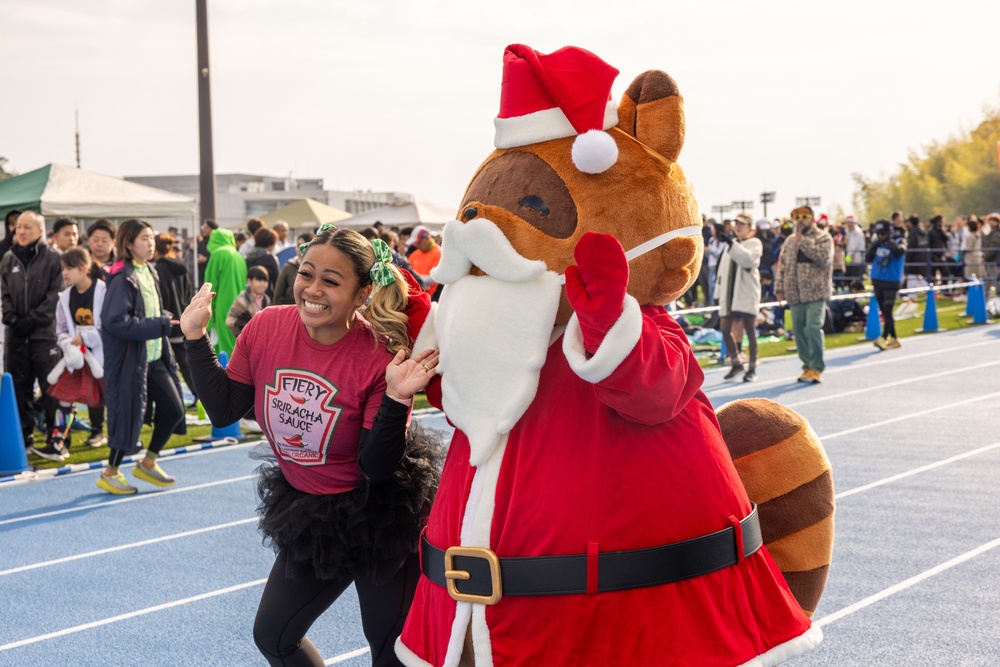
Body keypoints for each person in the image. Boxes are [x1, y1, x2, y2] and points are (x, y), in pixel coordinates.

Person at [180, 226, 440, 667]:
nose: (312, 290)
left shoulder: (381, 354)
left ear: (362, 295)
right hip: (312, 511)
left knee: (391, 651)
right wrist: (194, 338)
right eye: (306, 274)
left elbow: (376, 465)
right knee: (274, 636)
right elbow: (226, 409)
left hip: (380, 511)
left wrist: (398, 399)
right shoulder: (265, 327)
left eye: (332, 281)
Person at [98, 219, 187, 495]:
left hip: (155, 355)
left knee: (174, 410)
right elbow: (115, 321)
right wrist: (159, 324)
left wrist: (164, 320)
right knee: (126, 416)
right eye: (145, 239)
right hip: (129, 360)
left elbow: (147, 311)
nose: (151, 243)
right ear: (128, 244)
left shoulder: (150, 270)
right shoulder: (121, 277)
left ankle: (147, 462)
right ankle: (110, 473)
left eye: (151, 238)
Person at [1, 211, 64, 459]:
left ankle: (56, 439)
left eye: (27, 227)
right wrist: (14, 319)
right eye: (18, 228)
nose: (21, 232)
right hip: (16, 336)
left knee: (52, 391)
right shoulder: (8, 258)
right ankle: (23, 438)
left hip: (44, 336)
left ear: (40, 231)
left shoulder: (53, 257)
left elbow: (55, 295)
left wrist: (33, 320)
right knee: (19, 390)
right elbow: (4, 293)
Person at [48, 248, 107, 452]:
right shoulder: (65, 297)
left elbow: (108, 325)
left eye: (69, 268)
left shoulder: (102, 291)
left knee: (111, 398)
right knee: (64, 397)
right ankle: (57, 441)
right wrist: (67, 342)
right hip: (76, 359)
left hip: (102, 357)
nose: (65, 273)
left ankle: (121, 438)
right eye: (63, 268)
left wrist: (86, 337)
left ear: (84, 269)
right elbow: (61, 329)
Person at [774, 206, 834, 383]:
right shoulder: (789, 241)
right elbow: (782, 266)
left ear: (812, 219)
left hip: (816, 293)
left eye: (804, 216)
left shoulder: (824, 238)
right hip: (795, 294)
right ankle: (807, 366)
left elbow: (823, 259)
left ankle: (817, 368)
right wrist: (779, 289)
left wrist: (804, 241)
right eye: (796, 217)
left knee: (813, 328)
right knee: (799, 331)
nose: (800, 220)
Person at [715, 212, 763, 382]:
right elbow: (722, 270)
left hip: (746, 293)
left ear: (750, 228)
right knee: (725, 329)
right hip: (729, 294)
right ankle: (736, 363)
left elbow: (748, 261)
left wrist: (731, 244)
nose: (739, 226)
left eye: (743, 224)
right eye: (737, 223)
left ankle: (752, 367)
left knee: (750, 330)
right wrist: (718, 292)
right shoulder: (732, 244)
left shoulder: (754, 243)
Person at [153, 233, 197, 407]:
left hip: (168, 320)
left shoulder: (158, 270)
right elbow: (187, 292)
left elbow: (160, 296)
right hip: (183, 317)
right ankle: (197, 394)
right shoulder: (181, 267)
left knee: (173, 363)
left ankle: (183, 397)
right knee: (185, 362)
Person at [203, 227, 248, 358]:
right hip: (240, 306)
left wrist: (209, 318)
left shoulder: (218, 254)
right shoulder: (238, 255)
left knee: (223, 349)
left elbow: (210, 285)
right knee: (237, 344)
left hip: (223, 308)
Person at [866, 220, 907, 350]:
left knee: (888, 309)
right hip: (877, 279)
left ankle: (883, 337)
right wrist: (874, 245)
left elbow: (899, 252)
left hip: (891, 280)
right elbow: (868, 258)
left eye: (883, 233)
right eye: (878, 234)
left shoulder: (899, 241)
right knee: (884, 311)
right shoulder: (877, 243)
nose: (880, 236)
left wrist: (888, 242)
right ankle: (894, 338)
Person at [226, 266, 271, 338]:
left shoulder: (266, 299)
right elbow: (230, 322)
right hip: (249, 340)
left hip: (262, 340)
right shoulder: (242, 300)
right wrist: (243, 337)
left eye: (265, 281)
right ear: (249, 281)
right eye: (259, 280)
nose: (263, 284)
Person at [274, 232, 313, 305]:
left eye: (304, 245)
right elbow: (277, 294)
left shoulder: (316, 269)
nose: (299, 249)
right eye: (298, 245)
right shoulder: (288, 267)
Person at [245, 227, 279, 299]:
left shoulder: (249, 256)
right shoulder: (269, 258)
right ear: (270, 243)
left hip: (249, 296)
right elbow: (277, 283)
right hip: (265, 297)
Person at [405, 228, 442, 294]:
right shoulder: (414, 255)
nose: (417, 246)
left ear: (427, 239)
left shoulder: (439, 252)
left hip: (432, 298)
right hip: (416, 296)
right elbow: (406, 273)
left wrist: (416, 281)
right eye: (415, 243)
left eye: (418, 242)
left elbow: (436, 277)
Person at [197, 219, 218, 284]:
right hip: (202, 273)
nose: (204, 230)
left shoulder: (217, 243)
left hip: (213, 273)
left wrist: (206, 259)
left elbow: (217, 258)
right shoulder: (202, 242)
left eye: (206, 227)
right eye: (203, 227)